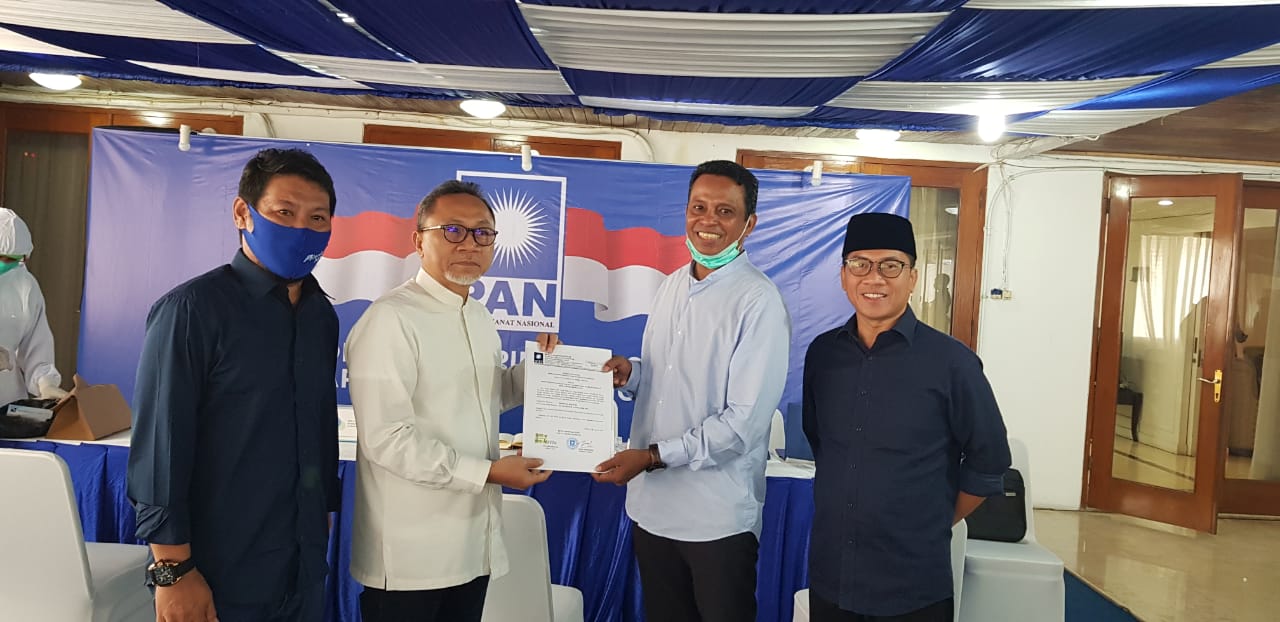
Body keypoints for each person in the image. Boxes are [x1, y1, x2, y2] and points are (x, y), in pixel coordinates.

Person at [127, 148, 341, 622]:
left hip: (302, 569)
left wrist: (320, 517)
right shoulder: (192, 311)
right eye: (284, 212)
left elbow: (318, 427)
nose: (301, 228)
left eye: (317, 217)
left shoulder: (320, 316)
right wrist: (172, 571)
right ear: (243, 213)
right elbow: (161, 450)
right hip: (216, 571)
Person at [346, 180, 556, 622]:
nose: (470, 244)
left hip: (472, 546)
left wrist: (541, 369)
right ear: (418, 240)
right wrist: (489, 472)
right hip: (410, 557)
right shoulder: (391, 318)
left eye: (483, 233)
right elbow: (387, 439)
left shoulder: (477, 315)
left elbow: (486, 398)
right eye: (453, 230)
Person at [594, 160, 791, 622]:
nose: (708, 221)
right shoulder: (670, 286)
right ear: (685, 212)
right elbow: (667, 377)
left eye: (725, 211)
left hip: (715, 517)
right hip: (653, 508)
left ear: (748, 224)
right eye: (699, 207)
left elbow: (741, 426)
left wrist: (652, 456)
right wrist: (632, 374)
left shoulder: (758, 301)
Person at [802, 212, 1011, 622]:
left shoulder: (952, 363)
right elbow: (821, 442)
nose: (874, 278)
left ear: (913, 277)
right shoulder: (823, 355)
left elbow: (989, 463)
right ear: (843, 276)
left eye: (891, 266)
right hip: (832, 577)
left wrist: (931, 519)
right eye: (859, 264)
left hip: (913, 587)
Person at [0, 207, 66, 406]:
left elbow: (36, 344)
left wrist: (45, 383)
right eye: (3, 258)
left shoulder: (24, 285)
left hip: (6, 402)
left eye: (15, 259)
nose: (8, 265)